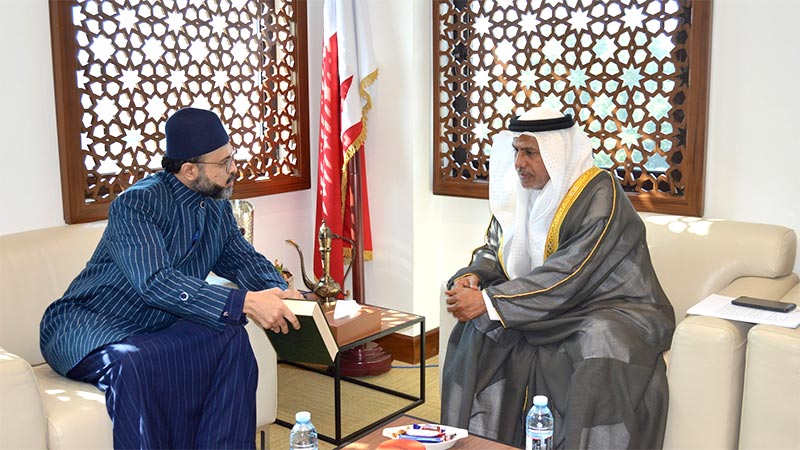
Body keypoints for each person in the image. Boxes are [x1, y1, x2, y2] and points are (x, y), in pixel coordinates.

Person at [39, 107, 302, 449]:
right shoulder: (136, 204)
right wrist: (246, 302)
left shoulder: (216, 205)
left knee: (231, 336)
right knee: (133, 363)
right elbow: (155, 282)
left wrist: (279, 290)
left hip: (154, 327)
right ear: (189, 169)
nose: (234, 169)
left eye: (232, 157)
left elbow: (240, 258)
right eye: (224, 163)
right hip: (89, 325)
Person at [440, 107, 675, 449]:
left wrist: (491, 302)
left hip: (609, 305)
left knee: (600, 340)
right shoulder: (521, 191)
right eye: (516, 151)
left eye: (530, 153)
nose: (519, 163)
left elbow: (572, 270)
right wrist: (474, 275)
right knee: (480, 329)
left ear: (557, 152)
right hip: (545, 303)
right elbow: (496, 247)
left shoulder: (600, 192)